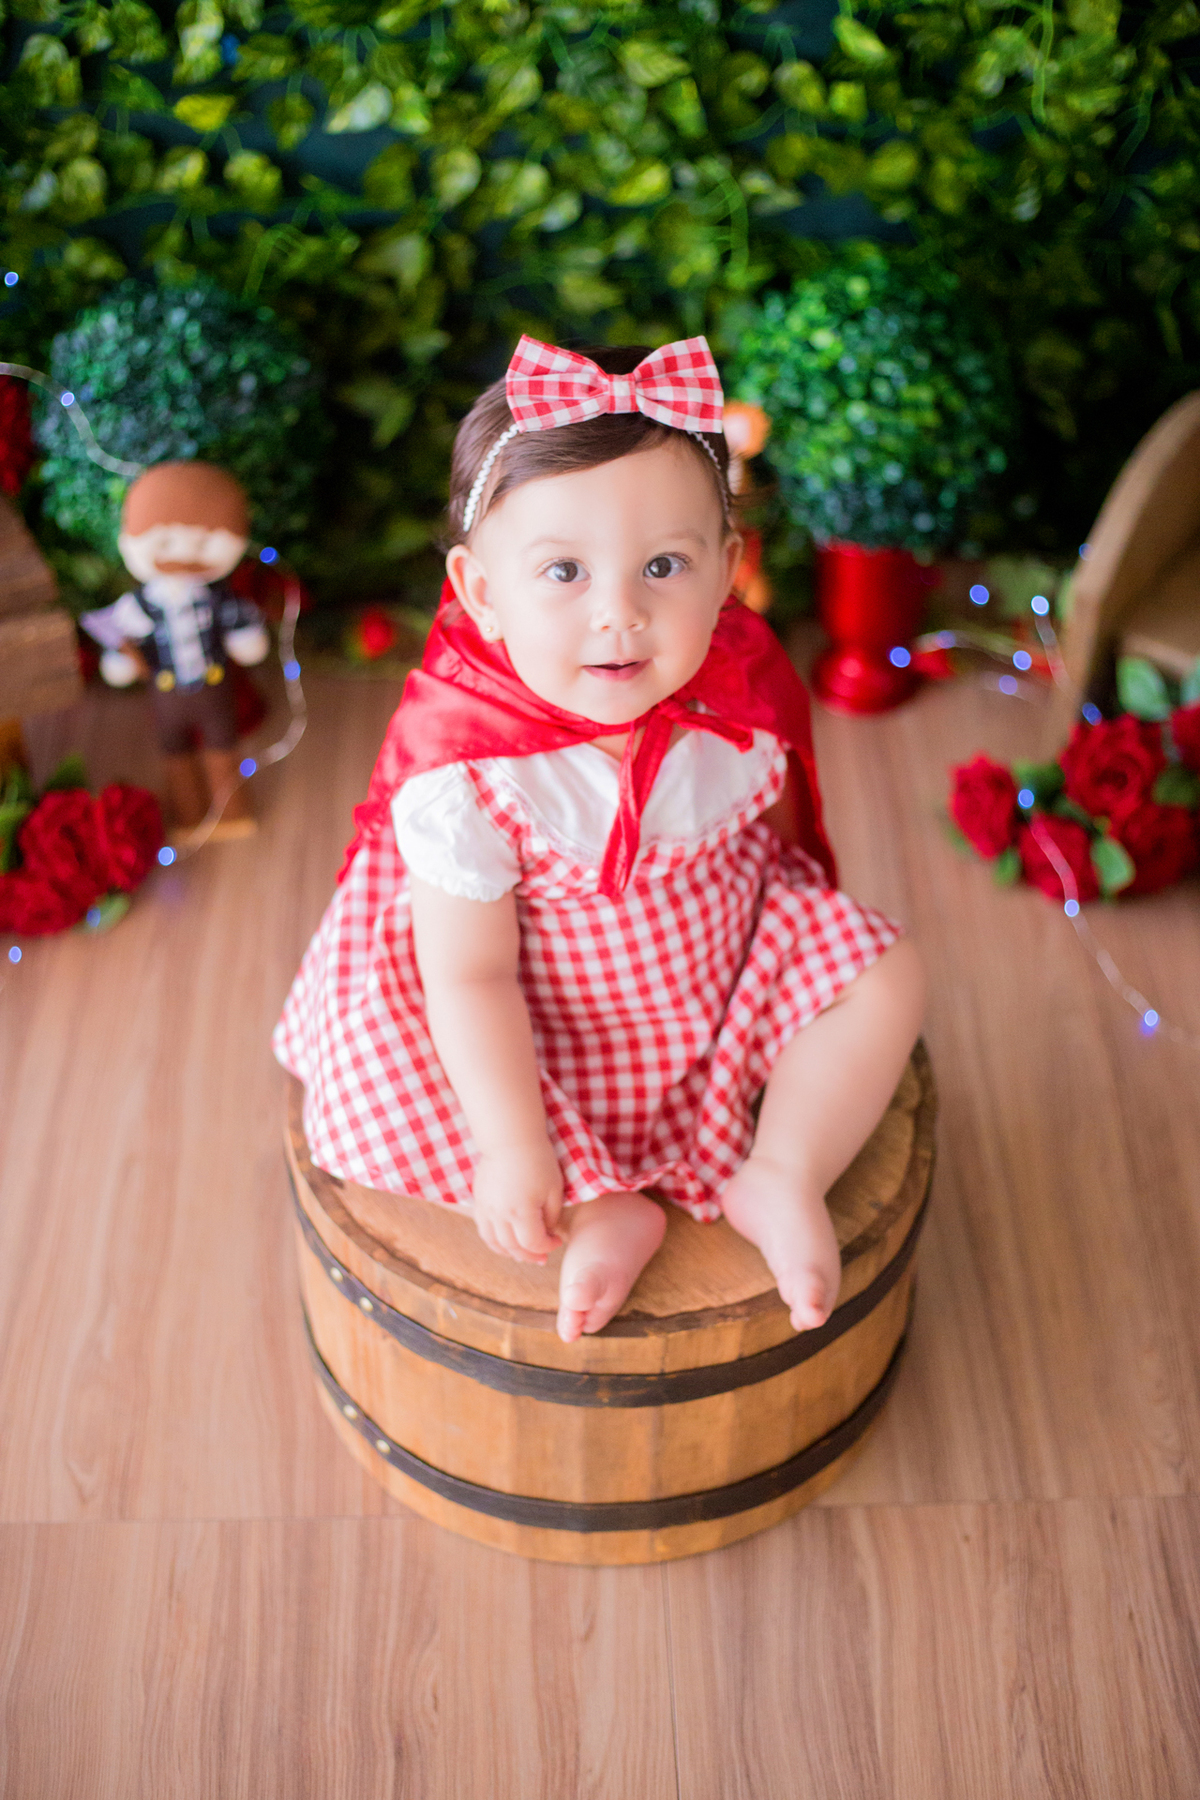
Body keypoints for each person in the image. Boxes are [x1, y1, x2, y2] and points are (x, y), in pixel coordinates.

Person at [275, 337, 924, 1344]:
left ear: (727, 571)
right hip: (538, 1028)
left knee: (887, 975)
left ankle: (782, 1170)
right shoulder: (468, 773)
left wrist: (804, 931)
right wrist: (515, 1147)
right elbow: (470, 980)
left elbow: (781, 845)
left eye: (664, 565)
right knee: (411, 1084)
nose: (619, 613)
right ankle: (597, 1202)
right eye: (564, 571)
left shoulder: (735, 694)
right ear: (481, 592)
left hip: (717, 969)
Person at [81, 461, 269, 836]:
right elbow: (119, 638)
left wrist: (247, 638)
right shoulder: (140, 606)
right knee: (175, 752)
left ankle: (232, 813)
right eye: (166, 542)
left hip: (214, 689)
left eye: (201, 542)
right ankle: (188, 813)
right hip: (166, 694)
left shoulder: (217, 600)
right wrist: (120, 659)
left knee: (223, 749)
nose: (183, 555)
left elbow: (241, 628)